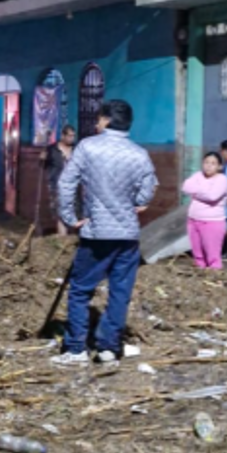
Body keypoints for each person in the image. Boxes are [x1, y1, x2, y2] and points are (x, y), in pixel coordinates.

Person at [51, 100, 157, 367]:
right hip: (128, 238)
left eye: (98, 119)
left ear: (107, 120)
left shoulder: (88, 147)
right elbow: (147, 190)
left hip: (96, 235)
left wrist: (70, 217)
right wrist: (133, 204)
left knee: (80, 291)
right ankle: (109, 348)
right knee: (120, 292)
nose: (96, 123)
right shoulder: (139, 154)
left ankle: (76, 349)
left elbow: (66, 183)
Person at [183, 151, 227, 270]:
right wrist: (204, 190)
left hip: (212, 222)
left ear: (219, 166)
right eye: (206, 162)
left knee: (212, 254)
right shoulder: (198, 175)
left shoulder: (222, 179)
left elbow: (212, 196)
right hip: (193, 220)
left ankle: (214, 275)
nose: (208, 165)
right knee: (197, 253)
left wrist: (196, 191)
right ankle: (200, 274)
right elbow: (185, 186)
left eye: (213, 163)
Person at [41, 124, 77, 236]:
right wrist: (42, 159)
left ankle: (71, 237)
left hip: (73, 185)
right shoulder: (52, 150)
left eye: (73, 136)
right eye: (69, 136)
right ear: (63, 136)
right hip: (56, 184)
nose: (72, 139)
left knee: (73, 211)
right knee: (59, 212)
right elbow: (43, 166)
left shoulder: (76, 149)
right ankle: (62, 237)